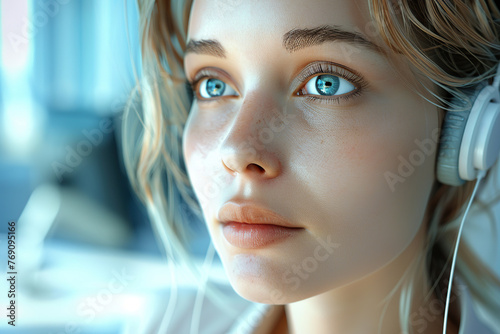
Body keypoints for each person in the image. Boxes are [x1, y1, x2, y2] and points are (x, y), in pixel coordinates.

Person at [122, 0, 500, 333]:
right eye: (212, 86)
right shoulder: (164, 324)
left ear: (462, 131)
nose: (237, 150)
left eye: (326, 83)